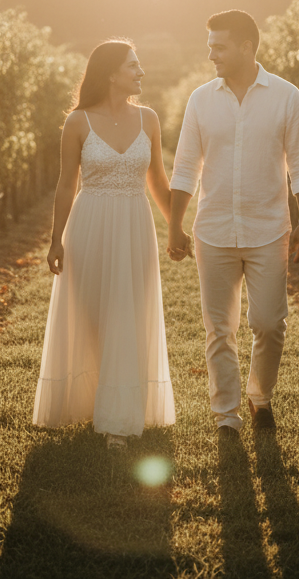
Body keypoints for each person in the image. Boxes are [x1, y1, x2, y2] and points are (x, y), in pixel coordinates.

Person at [168, 9, 299, 439]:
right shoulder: (201, 100)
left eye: (219, 46)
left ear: (247, 47)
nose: (211, 54)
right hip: (213, 230)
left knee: (270, 323)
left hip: (268, 229)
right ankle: (227, 415)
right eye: (210, 46)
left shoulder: (286, 96)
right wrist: (175, 224)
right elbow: (185, 167)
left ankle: (260, 396)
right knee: (220, 329)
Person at [33, 40, 179, 450]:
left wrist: (178, 228)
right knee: (93, 315)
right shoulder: (77, 122)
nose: (141, 72)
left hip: (135, 224)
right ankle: (89, 401)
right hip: (89, 224)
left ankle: (119, 420)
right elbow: (66, 185)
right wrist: (56, 239)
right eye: (133, 65)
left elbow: (158, 182)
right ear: (111, 73)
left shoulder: (149, 119)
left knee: (128, 315)